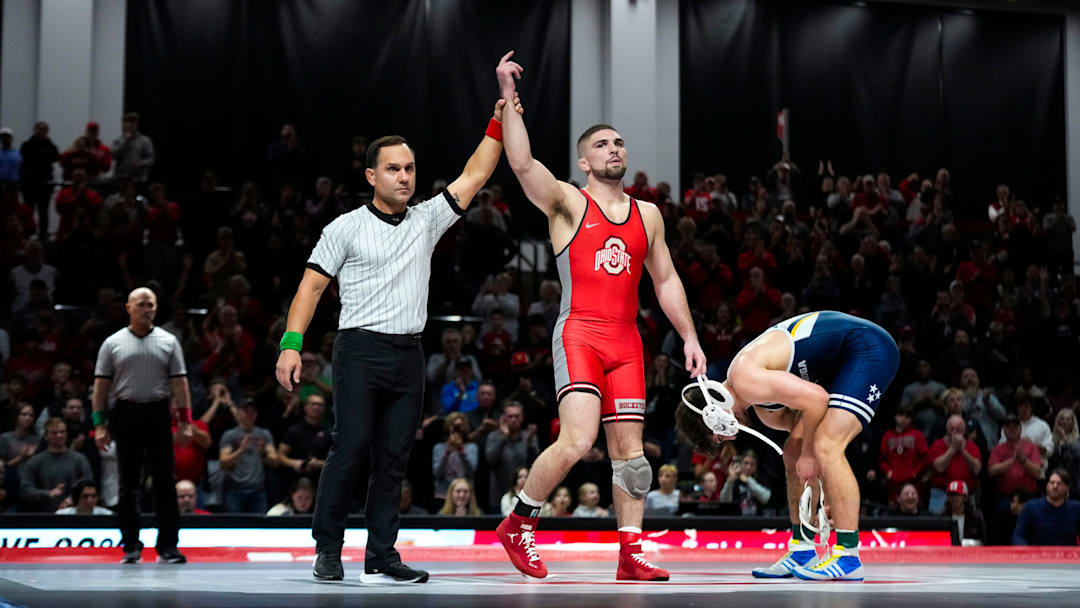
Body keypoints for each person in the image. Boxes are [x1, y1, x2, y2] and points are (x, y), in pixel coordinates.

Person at [275, 77, 521, 583]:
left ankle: (382, 554)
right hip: (359, 350)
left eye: (409, 168)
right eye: (393, 169)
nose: (404, 177)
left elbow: (476, 173)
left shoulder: (427, 219)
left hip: (409, 353)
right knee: (351, 447)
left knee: (394, 457)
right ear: (371, 175)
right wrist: (291, 344)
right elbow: (310, 289)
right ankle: (328, 548)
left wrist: (499, 118)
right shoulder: (343, 226)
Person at [495, 50, 706, 583]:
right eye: (601, 144)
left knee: (632, 457)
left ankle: (630, 552)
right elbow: (521, 164)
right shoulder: (567, 202)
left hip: (626, 342)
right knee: (577, 440)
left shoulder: (648, 215)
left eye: (618, 142)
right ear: (584, 162)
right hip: (580, 335)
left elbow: (666, 280)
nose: (614, 149)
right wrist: (508, 99)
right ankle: (518, 521)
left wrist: (689, 337)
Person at [675, 310, 900, 581]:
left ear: (714, 412)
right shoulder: (764, 410)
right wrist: (820, 481)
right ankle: (803, 548)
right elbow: (807, 430)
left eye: (720, 431)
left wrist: (808, 455)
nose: (731, 435)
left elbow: (817, 400)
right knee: (793, 453)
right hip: (843, 360)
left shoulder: (746, 378)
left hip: (867, 346)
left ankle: (848, 556)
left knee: (826, 447)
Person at [92, 287, 192, 565]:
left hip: (158, 412)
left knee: (164, 482)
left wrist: (185, 421)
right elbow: (100, 387)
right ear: (128, 308)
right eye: (141, 304)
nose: (146, 309)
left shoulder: (169, 341)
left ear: (156, 308)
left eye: (151, 305)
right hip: (126, 413)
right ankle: (131, 546)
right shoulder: (112, 343)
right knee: (128, 483)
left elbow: (179, 383)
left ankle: (168, 546)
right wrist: (99, 424)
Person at [20, 418, 92, 512]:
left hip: (73, 514)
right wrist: (48, 494)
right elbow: (25, 490)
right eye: (54, 433)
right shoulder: (35, 462)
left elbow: (89, 485)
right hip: (42, 516)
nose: (59, 435)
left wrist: (72, 498)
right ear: (46, 436)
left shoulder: (79, 459)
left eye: (62, 432)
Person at [219, 399, 277, 513]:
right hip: (234, 490)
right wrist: (241, 450)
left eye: (253, 412)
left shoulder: (264, 434)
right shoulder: (229, 435)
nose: (250, 415)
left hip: (258, 490)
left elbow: (275, 461)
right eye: (246, 411)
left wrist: (263, 453)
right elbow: (223, 463)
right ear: (239, 413)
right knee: (235, 526)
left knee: (259, 527)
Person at [1012, 469, 1080, 545]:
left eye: (1059, 483)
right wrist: (1026, 552)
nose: (1055, 486)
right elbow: (1018, 536)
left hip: (1067, 555)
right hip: (1037, 555)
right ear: (1047, 485)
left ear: (1067, 488)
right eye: (1052, 482)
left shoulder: (1076, 509)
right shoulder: (1030, 507)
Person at [718, 449, 772, 515]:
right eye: (746, 463)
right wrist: (730, 481)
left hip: (757, 522)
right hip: (736, 520)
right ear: (741, 464)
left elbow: (765, 499)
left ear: (756, 466)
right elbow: (724, 501)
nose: (748, 467)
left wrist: (748, 480)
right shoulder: (734, 480)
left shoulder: (760, 480)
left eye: (752, 464)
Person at [946, 480, 986, 546]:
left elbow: (984, 540)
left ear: (965, 498)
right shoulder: (944, 518)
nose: (954, 498)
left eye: (957, 495)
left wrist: (968, 543)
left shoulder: (975, 518)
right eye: (951, 495)